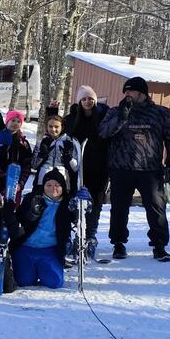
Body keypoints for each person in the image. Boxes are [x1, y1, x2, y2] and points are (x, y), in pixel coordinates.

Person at [98, 76, 170, 261]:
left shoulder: (161, 113)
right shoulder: (115, 112)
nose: (127, 94)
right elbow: (104, 133)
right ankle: (118, 244)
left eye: (131, 91)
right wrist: (122, 116)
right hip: (121, 168)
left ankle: (159, 245)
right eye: (125, 91)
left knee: (156, 208)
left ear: (142, 93)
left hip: (150, 170)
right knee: (119, 209)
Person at [3, 169, 87, 288]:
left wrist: (85, 205)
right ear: (43, 186)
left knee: (54, 282)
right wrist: (30, 215)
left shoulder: (68, 204)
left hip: (49, 249)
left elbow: (82, 219)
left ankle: (43, 268)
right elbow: (18, 220)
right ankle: (29, 268)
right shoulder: (32, 199)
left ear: (63, 187)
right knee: (23, 281)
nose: (53, 189)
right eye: (49, 185)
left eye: (57, 185)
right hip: (26, 247)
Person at [64, 86, 110, 258]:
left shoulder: (104, 116)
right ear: (79, 101)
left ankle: (90, 235)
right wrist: (52, 111)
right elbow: (59, 130)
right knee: (75, 201)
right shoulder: (73, 118)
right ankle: (76, 234)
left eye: (90, 99)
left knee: (95, 202)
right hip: (78, 166)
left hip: (99, 167)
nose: (87, 102)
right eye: (84, 99)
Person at [0, 111, 33, 198]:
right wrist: (4, 177)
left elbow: (27, 165)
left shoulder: (24, 143)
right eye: (13, 120)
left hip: (16, 185)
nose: (15, 123)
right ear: (7, 122)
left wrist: (20, 183)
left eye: (18, 121)